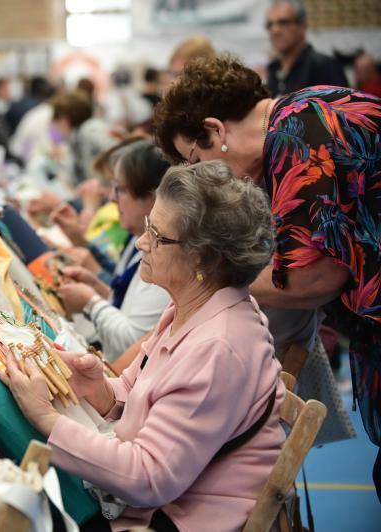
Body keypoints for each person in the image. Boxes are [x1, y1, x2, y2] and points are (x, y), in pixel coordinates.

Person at [4, 161, 284, 531]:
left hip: (178, 519)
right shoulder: (189, 307)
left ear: (205, 257)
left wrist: (46, 419)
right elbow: (139, 396)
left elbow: (149, 477)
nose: (141, 243)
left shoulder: (219, 347)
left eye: (158, 235)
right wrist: (100, 390)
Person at [154, 55, 381, 498]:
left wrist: (207, 280)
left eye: (195, 159)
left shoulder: (297, 133)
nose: (201, 176)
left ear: (217, 131)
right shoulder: (301, 116)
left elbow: (313, 277)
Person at [57, 140, 171, 361]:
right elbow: (127, 305)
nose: (110, 198)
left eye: (119, 189)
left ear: (151, 197)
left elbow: (132, 344)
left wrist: (91, 302)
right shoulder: (136, 239)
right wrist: (98, 287)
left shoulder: (165, 255)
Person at [265, 0, 347, 97]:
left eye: (283, 23)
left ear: (302, 26)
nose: (275, 30)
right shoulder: (273, 68)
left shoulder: (324, 66)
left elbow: (343, 109)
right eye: (270, 25)